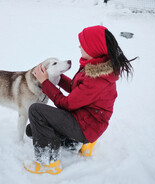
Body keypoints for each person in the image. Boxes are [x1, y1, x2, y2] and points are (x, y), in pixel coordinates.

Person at [23, 25, 136, 175]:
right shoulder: (94, 66)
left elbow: (67, 103)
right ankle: (73, 143)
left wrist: (45, 83)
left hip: (86, 127)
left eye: (83, 44)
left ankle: (48, 162)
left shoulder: (97, 79)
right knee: (32, 130)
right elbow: (76, 90)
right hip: (84, 119)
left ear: (94, 49)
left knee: (36, 111)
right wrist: (56, 74)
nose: (79, 46)